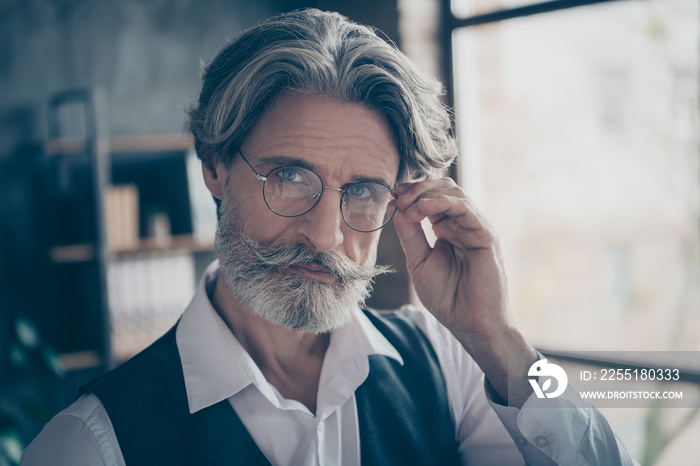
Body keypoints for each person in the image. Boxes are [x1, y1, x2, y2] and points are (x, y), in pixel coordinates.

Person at [23, 8, 638, 465]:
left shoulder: (452, 362)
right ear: (214, 167)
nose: (324, 233)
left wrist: (498, 341)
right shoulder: (90, 444)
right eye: (290, 177)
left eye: (363, 191)